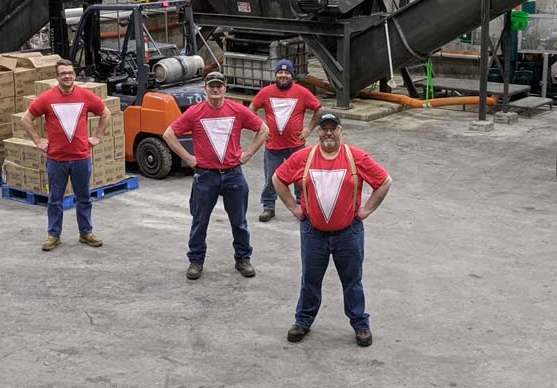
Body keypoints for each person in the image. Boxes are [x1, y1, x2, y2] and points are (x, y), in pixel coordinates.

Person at [272, 113, 392, 347]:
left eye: (333, 128)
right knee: (310, 280)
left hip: (348, 234)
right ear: (318, 132)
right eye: (324, 128)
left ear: (341, 131)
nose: (328, 133)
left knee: (352, 281)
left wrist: (366, 210)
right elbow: (278, 179)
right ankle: (303, 321)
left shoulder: (355, 157)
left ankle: (360, 324)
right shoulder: (303, 157)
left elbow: (384, 181)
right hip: (313, 234)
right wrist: (294, 208)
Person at [162, 71, 269, 280]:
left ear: (225, 89)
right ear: (205, 89)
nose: (215, 89)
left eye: (219, 86)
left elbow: (263, 129)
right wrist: (188, 158)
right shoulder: (195, 112)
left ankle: (243, 258)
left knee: (239, 221)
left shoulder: (237, 110)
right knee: (200, 221)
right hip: (205, 176)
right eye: (211, 86)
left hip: (233, 175)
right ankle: (196, 261)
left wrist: (248, 154)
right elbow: (169, 134)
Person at [22, 59, 111, 252]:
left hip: (81, 158)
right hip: (56, 159)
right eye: (63, 73)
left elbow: (106, 113)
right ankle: (54, 235)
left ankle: (85, 233)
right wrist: (38, 141)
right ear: (57, 77)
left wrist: (97, 137)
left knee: (84, 198)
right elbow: (26, 118)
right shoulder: (47, 98)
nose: (67, 76)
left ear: (75, 75)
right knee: (55, 199)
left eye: (70, 72)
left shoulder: (86, 96)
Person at [249, 58, 322, 223]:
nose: (283, 75)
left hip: (296, 147)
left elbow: (319, 109)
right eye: (280, 72)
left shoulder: (302, 92)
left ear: (292, 76)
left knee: (299, 178)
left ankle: (302, 207)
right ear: (276, 75)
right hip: (273, 147)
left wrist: (309, 129)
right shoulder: (266, 92)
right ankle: (268, 207)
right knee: (270, 179)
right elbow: (251, 109)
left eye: (286, 73)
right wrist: (261, 130)